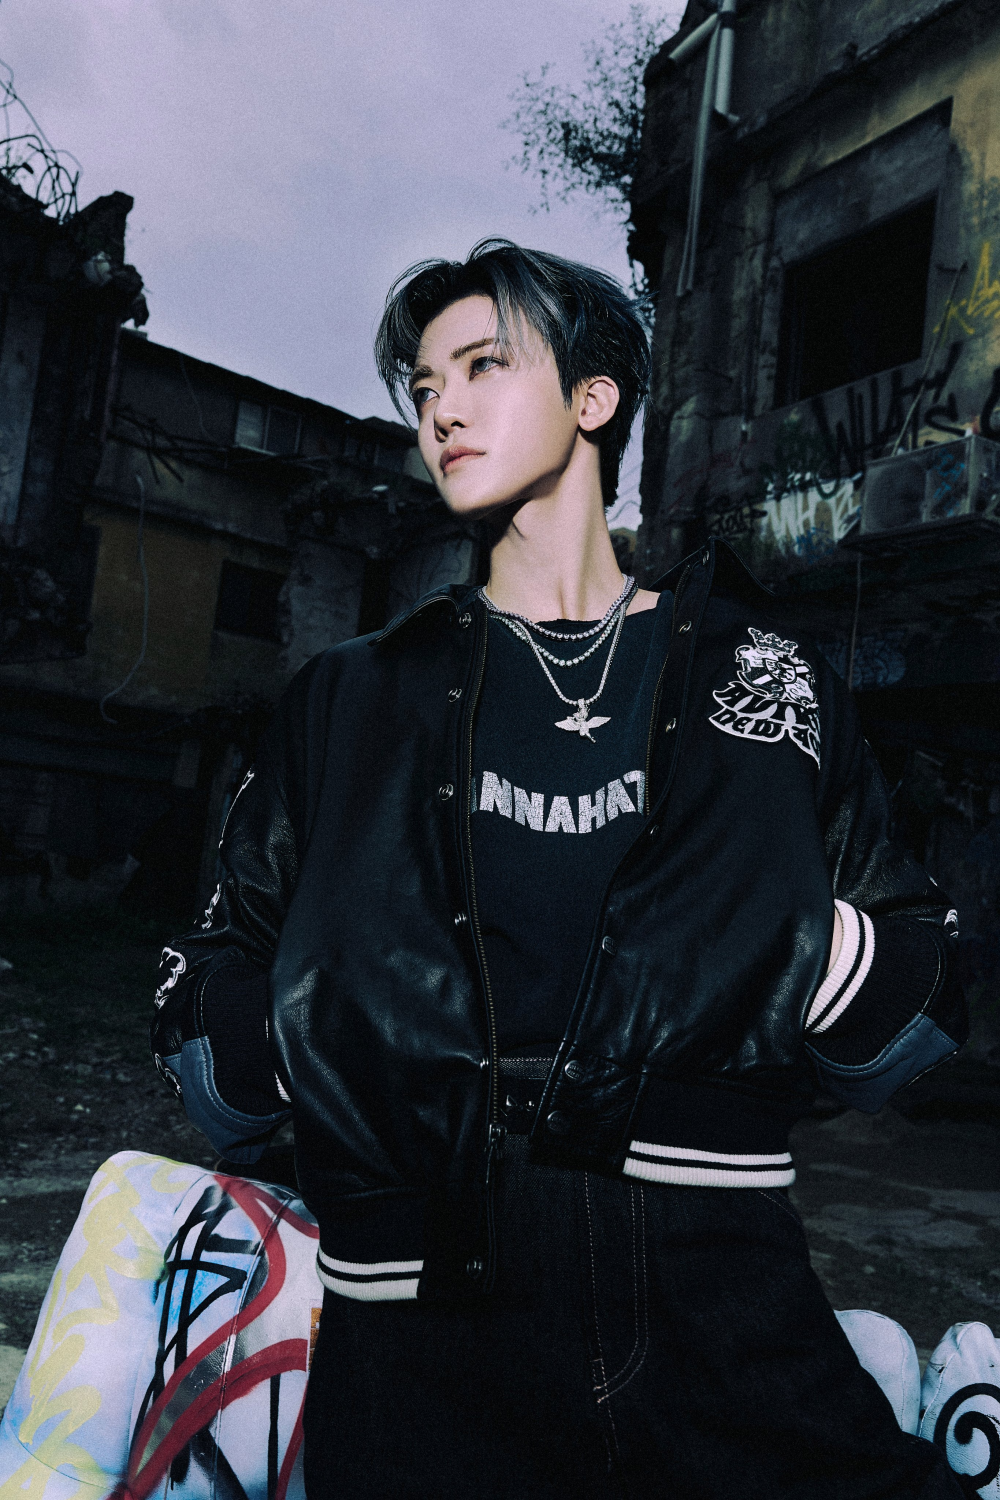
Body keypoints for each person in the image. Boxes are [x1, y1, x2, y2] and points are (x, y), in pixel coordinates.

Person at [151, 239, 967, 1499]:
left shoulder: (761, 678)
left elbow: (919, 982)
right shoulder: (350, 697)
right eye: (424, 387)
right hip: (418, 1312)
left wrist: (791, 950)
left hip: (712, 1281)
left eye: (483, 367)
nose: (441, 410)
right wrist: (321, 1045)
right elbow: (204, 981)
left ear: (593, 398)